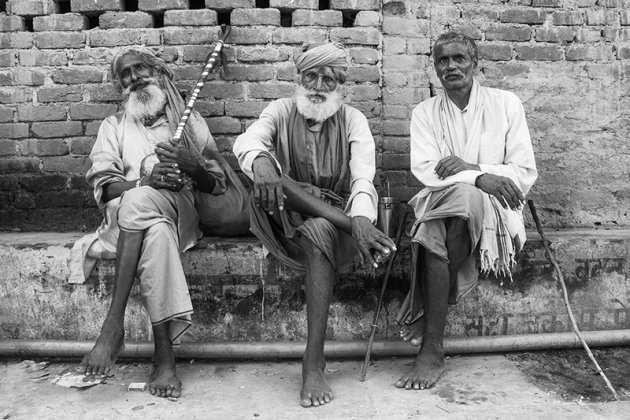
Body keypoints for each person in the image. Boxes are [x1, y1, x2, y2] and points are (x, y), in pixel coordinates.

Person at [233, 42, 397, 408]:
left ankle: (313, 360)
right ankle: (347, 225)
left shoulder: (354, 120)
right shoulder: (279, 110)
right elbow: (248, 140)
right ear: (300, 79)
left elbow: (363, 181)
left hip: (334, 220)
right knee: (273, 173)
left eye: (328, 77)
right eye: (311, 76)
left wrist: (359, 217)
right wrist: (259, 159)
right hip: (283, 212)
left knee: (320, 229)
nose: (318, 84)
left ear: (340, 84)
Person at [70, 47, 227, 398]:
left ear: (157, 73)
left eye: (140, 68)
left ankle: (113, 325)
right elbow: (105, 186)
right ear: (119, 86)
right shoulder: (112, 126)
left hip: (180, 216)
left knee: (146, 211)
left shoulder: (188, 122)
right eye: (125, 73)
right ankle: (165, 357)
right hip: (128, 225)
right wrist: (145, 182)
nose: (134, 77)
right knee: (151, 226)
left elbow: (218, 184)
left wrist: (191, 165)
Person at [395, 32, 538, 390]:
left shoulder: (506, 104)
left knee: (457, 209)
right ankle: (432, 342)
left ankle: (430, 340)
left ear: (476, 63)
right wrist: (478, 176)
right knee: (455, 206)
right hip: (441, 200)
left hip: (496, 203)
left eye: (459, 58)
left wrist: (470, 172)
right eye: (442, 61)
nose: (451, 66)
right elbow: (425, 170)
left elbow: (523, 171)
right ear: (435, 68)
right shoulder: (424, 113)